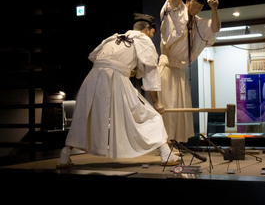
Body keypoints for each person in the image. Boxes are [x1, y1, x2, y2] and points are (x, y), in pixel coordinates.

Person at [56, 13, 181, 169]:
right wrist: (156, 102)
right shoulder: (143, 41)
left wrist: (129, 68)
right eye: (153, 33)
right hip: (114, 79)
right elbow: (150, 73)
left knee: (83, 117)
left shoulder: (112, 38)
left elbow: (95, 57)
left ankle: (64, 156)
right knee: (150, 115)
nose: (151, 37)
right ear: (148, 30)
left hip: (92, 78)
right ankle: (165, 153)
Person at [158, 0, 220, 143]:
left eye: (202, 6)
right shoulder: (175, 8)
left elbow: (215, 28)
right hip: (167, 67)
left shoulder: (199, 23)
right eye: (196, 3)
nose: (198, 8)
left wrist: (214, 9)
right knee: (168, 108)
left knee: (181, 110)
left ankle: (175, 144)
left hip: (181, 70)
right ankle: (165, 145)